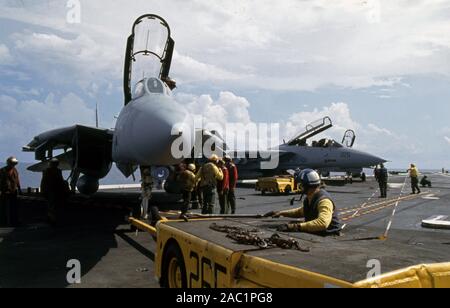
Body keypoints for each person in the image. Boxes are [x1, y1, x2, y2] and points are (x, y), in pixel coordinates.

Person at [265, 169, 341, 236]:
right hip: (318, 232)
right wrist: (281, 213)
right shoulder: (310, 197)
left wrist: (295, 226)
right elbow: (302, 211)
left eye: (301, 185)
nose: (300, 188)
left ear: (308, 185)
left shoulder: (324, 201)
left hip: (327, 236)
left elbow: (323, 223)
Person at [41, 158, 68, 225]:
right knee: (53, 206)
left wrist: (43, 191)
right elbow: (61, 181)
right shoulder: (56, 171)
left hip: (52, 191)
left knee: (52, 206)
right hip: (53, 191)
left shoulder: (48, 171)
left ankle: (51, 219)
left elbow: (43, 182)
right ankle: (52, 220)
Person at [0, 157, 21, 227]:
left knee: (13, 208)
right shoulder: (2, 170)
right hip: (5, 191)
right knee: (4, 208)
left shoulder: (15, 170)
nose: (13, 165)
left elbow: (17, 180)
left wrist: (19, 189)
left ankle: (13, 221)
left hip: (13, 192)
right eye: (12, 163)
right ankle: (4, 222)